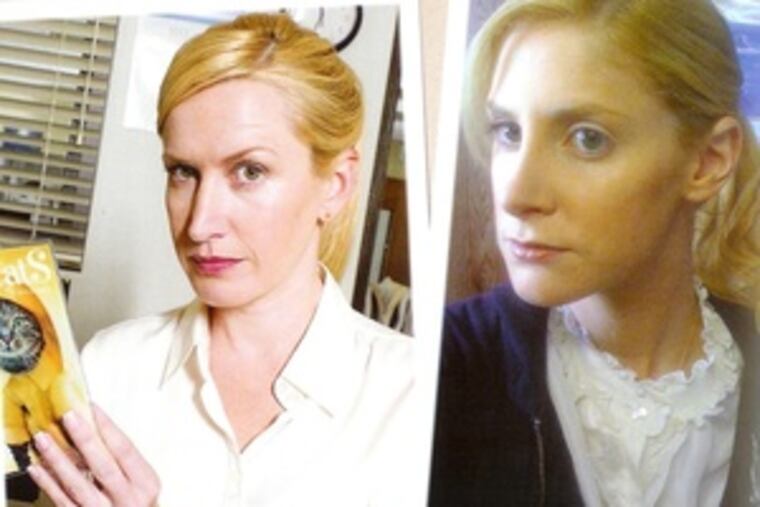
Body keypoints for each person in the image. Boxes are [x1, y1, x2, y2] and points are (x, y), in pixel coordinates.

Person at [26, 13, 414, 506]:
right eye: (183, 172)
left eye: (249, 171)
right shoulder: (110, 366)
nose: (199, 223)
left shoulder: (417, 397)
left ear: (335, 185)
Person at [429, 0, 760, 505]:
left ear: (707, 162)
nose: (516, 195)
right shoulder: (439, 370)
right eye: (508, 132)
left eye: (587, 139)